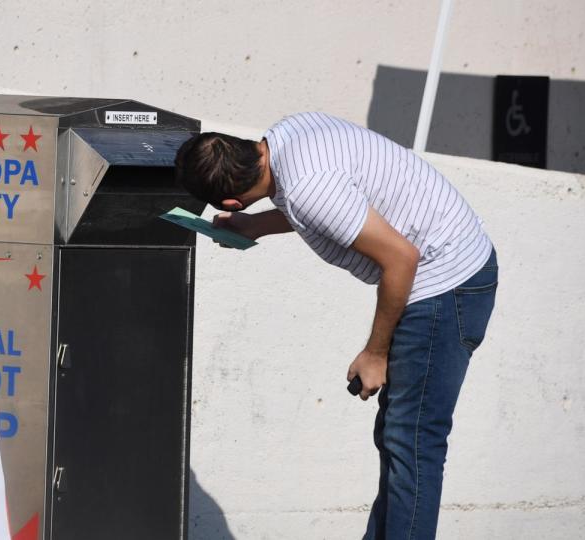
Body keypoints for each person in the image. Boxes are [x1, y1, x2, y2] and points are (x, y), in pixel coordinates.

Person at [174, 112, 498, 540]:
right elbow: (332, 206)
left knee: (414, 441)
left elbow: (401, 258)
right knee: (400, 437)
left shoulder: (308, 188)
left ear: (230, 203)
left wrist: (375, 353)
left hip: (445, 284)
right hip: (450, 268)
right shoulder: (290, 136)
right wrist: (257, 226)